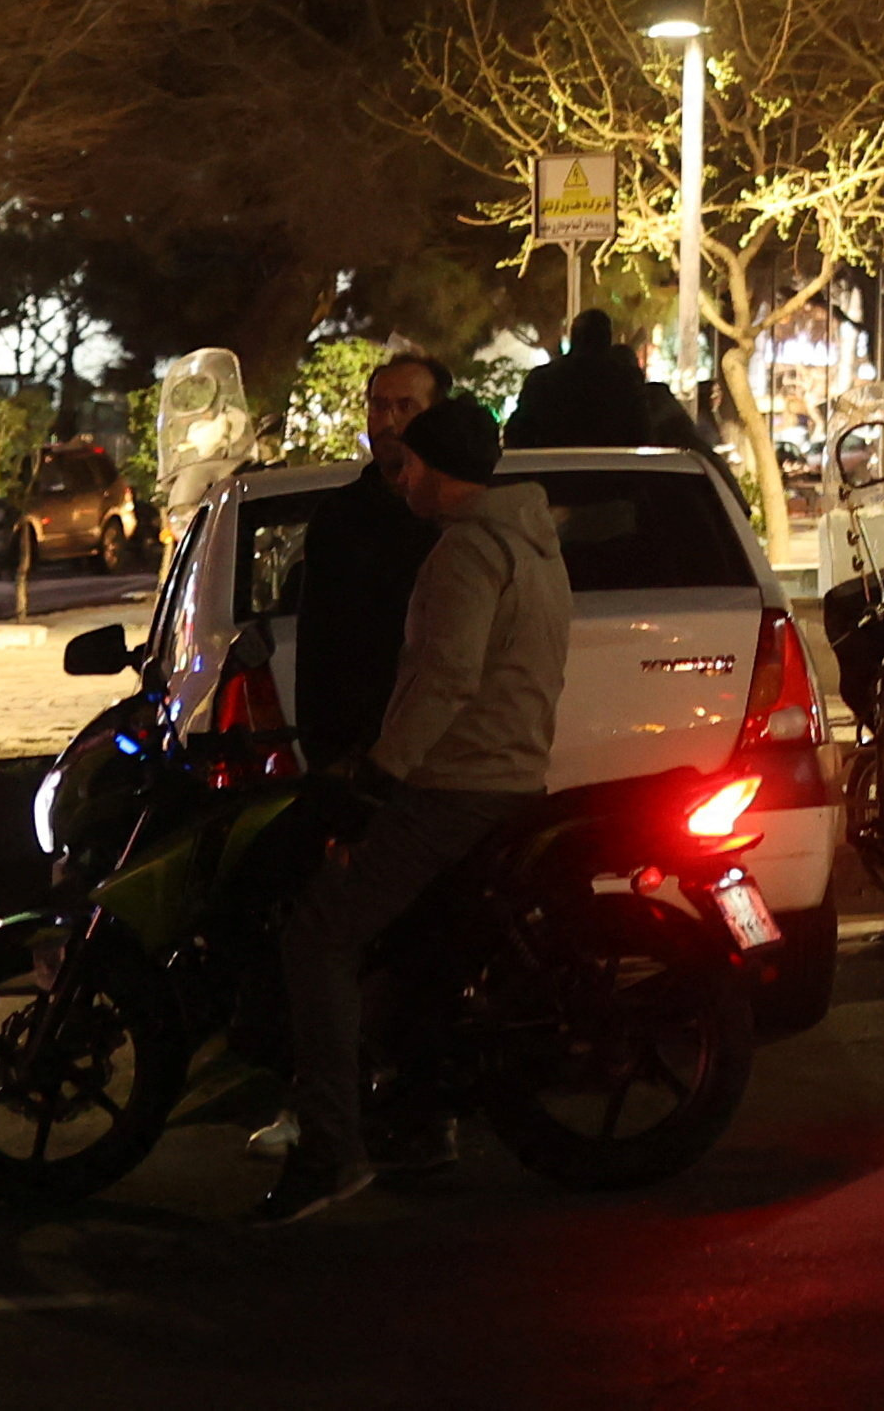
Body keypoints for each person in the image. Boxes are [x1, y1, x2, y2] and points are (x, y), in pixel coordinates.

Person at [256, 394, 571, 1225]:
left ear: (431, 469)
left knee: (319, 934)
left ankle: (330, 1151)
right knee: (411, 950)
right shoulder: (532, 543)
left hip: (454, 786)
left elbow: (446, 680)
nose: (400, 479)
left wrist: (378, 777)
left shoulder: (466, 553)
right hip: (508, 777)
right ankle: (416, 1120)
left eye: (407, 465)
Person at [286, 351, 447, 769]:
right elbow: (318, 647)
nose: (388, 421)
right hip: (361, 752)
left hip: (450, 755)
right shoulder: (340, 519)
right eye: (378, 406)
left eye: (405, 406)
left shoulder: (457, 515)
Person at [505, 307, 695, 453]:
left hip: (551, 483)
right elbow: (641, 433)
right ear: (607, 338)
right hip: (613, 485)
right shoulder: (624, 381)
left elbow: (517, 434)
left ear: (574, 337)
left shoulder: (542, 379)